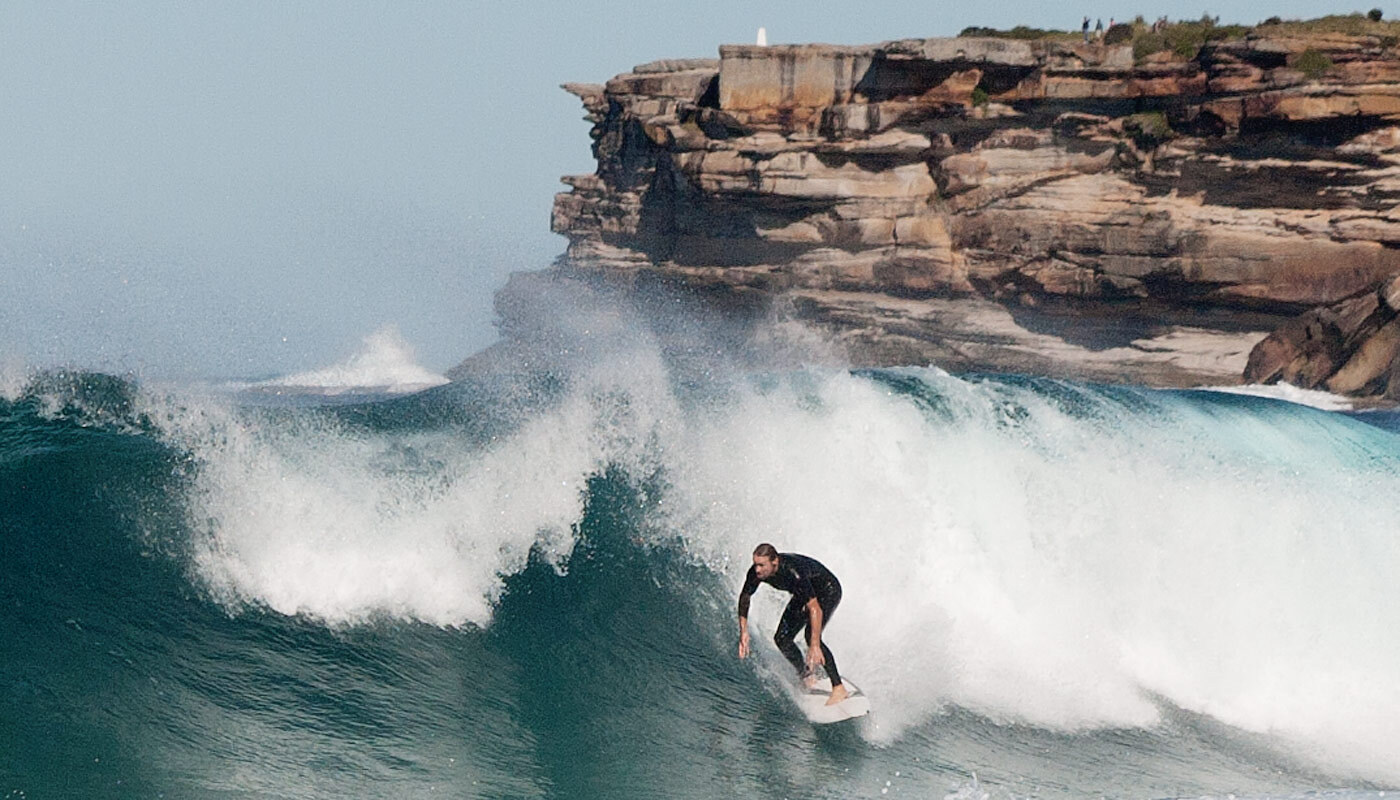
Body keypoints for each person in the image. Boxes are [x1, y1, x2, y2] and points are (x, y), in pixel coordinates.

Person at [736, 543, 848, 705]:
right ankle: (807, 675)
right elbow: (745, 597)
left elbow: (815, 608)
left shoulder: (793, 572)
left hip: (828, 589)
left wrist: (814, 644)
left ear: (774, 563)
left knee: (811, 637)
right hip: (804, 593)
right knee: (782, 638)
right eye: (755, 564)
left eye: (762, 565)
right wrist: (744, 632)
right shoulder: (755, 574)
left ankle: (838, 688)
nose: (757, 570)